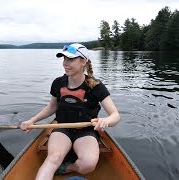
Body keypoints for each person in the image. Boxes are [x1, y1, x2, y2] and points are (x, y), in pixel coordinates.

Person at [20, 43, 120, 180]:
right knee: (53, 158)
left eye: (70, 59)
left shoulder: (95, 86)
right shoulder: (58, 83)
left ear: (83, 62)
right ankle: (57, 164)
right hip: (62, 128)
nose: (65, 63)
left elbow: (115, 116)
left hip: (86, 131)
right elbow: (51, 107)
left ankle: (66, 167)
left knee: (88, 165)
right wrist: (32, 120)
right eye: (64, 59)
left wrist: (106, 121)